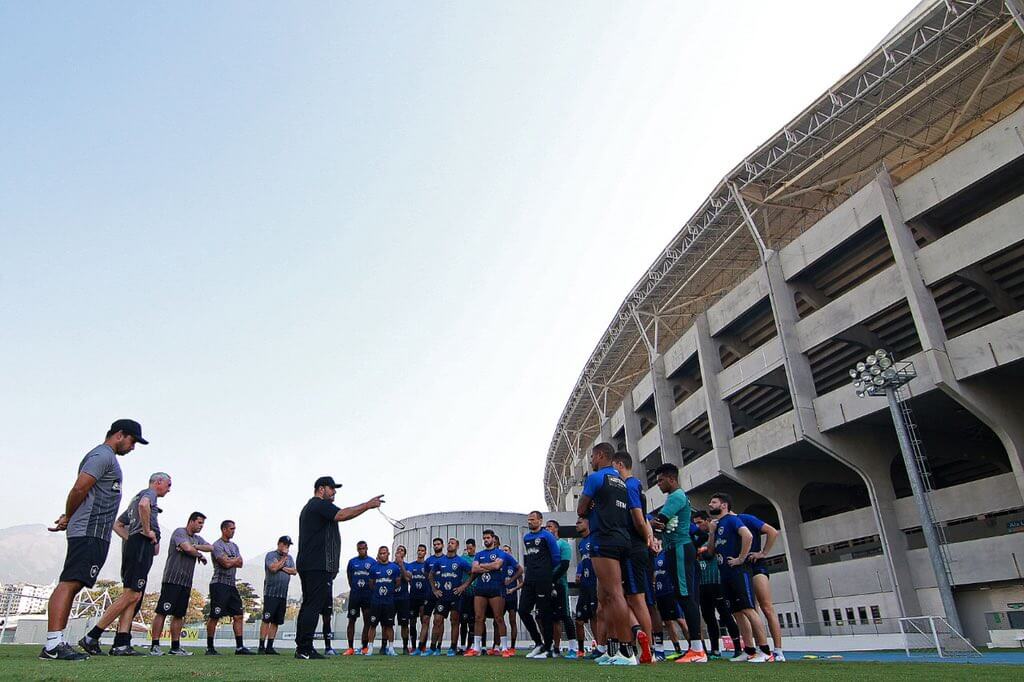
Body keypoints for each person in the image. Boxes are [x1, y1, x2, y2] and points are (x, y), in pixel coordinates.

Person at [42, 419, 147, 661]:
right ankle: (52, 644)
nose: (133, 448)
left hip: (95, 532)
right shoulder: (103, 456)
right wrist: (69, 516)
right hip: (88, 531)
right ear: (120, 435)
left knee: (75, 583)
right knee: (70, 582)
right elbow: (79, 488)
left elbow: (86, 494)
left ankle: (56, 641)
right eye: (133, 441)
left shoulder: (107, 458)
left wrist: (70, 515)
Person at [79, 472, 171, 656]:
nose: (169, 489)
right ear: (158, 482)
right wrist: (146, 532)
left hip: (136, 547)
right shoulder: (148, 494)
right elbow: (145, 506)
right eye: (168, 485)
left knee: (134, 596)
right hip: (140, 548)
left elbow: (117, 524)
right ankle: (92, 636)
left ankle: (121, 643)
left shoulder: (134, 500)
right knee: (131, 595)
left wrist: (131, 539)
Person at [295, 476, 383, 660]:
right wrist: (367, 505)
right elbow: (342, 514)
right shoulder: (318, 504)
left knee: (308, 605)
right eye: (331, 488)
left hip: (311, 565)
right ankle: (305, 648)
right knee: (313, 605)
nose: (334, 492)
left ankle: (302, 647)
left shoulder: (313, 507)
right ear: (321, 489)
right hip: (316, 565)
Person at [577, 443, 636, 665]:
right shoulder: (621, 480)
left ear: (601, 455)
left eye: (592, 456)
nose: (591, 461)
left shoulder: (596, 478)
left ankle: (627, 651)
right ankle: (611, 650)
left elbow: (581, 510)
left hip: (605, 539)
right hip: (621, 538)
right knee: (604, 598)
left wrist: (590, 507)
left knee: (615, 595)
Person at [707, 492, 772, 663]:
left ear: (724, 505)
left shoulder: (732, 520)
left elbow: (748, 535)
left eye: (713, 502)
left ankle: (765, 650)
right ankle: (748, 649)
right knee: (737, 612)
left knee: (748, 609)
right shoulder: (717, 525)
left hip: (739, 571)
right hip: (725, 573)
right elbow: (711, 552)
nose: (709, 505)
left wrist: (741, 558)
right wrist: (712, 533)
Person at [652, 463, 705, 664]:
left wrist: (649, 525)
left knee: (686, 596)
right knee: (683, 597)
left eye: (660, 480)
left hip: (680, 548)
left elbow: (660, 520)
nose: (658, 485)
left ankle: (698, 649)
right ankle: (695, 648)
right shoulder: (674, 497)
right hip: (675, 549)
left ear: (671, 478)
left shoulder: (676, 497)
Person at [610, 451, 656, 664]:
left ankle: (650, 650)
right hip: (633, 547)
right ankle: (640, 635)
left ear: (619, 465)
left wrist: (646, 539)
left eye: (613, 467)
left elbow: (638, 517)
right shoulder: (632, 486)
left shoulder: (629, 486)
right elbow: (645, 519)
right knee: (626, 597)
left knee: (636, 598)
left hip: (633, 548)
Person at [149, 511, 213, 656]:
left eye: (203, 524)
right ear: (191, 521)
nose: (201, 526)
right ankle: (155, 645)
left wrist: (194, 548)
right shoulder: (179, 532)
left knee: (179, 614)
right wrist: (195, 551)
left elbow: (210, 547)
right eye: (199, 522)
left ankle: (175, 647)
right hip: (172, 579)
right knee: (162, 612)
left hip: (186, 582)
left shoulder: (196, 538)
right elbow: (187, 548)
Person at [692, 512, 740, 659]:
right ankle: (715, 650)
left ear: (708, 521)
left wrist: (704, 549)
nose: (697, 526)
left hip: (717, 582)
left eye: (700, 522)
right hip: (702, 584)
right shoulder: (696, 540)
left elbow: (709, 554)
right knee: (709, 617)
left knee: (725, 615)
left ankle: (738, 648)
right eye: (695, 523)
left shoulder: (715, 537)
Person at [739, 511, 784, 661]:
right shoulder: (723, 525)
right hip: (740, 568)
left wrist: (763, 553)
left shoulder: (746, 518)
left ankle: (778, 650)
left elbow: (772, 531)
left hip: (756, 565)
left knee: (766, 607)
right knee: (752, 608)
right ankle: (760, 648)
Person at [205, 520, 252, 655]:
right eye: (231, 528)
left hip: (231, 585)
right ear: (224, 529)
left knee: (238, 615)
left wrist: (231, 561)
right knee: (215, 615)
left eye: (234, 528)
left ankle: (239, 647)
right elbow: (224, 563)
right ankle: (210, 647)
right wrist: (233, 561)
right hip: (219, 585)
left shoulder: (234, 546)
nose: (233, 531)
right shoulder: (217, 545)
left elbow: (241, 562)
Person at [519, 511, 560, 660]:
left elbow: (556, 557)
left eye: (533, 519)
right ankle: (538, 643)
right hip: (529, 579)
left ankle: (548, 648)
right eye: (528, 520)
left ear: (540, 521)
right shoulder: (527, 537)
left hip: (544, 579)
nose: (530, 522)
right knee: (523, 610)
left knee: (544, 613)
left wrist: (546, 572)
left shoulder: (547, 536)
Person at [466, 529, 513, 657]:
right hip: (481, 589)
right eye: (484, 538)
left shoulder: (500, 553)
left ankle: (504, 648)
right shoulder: (479, 554)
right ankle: (476, 648)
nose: (486, 540)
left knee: (499, 618)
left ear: (493, 539)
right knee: (479, 618)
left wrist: (484, 566)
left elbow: (497, 566)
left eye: (488, 537)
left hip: (496, 589)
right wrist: (490, 566)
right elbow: (474, 568)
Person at [427, 538, 472, 656]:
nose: (449, 545)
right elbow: (430, 575)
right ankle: (433, 648)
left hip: (455, 596)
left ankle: (452, 648)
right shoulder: (440, 561)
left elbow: (472, 574)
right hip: (442, 596)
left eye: (452, 543)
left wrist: (463, 586)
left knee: (455, 621)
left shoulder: (461, 561)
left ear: (457, 546)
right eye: (449, 543)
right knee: (437, 620)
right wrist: (434, 589)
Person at [544, 519, 577, 659]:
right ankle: (552, 648)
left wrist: (552, 579)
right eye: (545, 527)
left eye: (549, 527)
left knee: (565, 615)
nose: (547, 529)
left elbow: (564, 565)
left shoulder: (563, 544)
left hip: (559, 584)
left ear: (556, 529)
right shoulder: (545, 547)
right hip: (546, 585)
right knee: (550, 617)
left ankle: (573, 649)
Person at [259, 536, 296, 655]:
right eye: (285, 544)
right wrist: (282, 562)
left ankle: (270, 646)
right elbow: (273, 568)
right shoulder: (271, 555)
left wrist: (282, 567)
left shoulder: (290, 558)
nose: (287, 547)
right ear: (279, 544)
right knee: (267, 619)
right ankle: (261, 646)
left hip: (283, 594)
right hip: (271, 593)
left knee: (276, 621)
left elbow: (294, 571)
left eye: (288, 545)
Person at [366, 546, 401, 656]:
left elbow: (398, 582)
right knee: (372, 625)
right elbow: (371, 584)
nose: (382, 555)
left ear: (388, 554)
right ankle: (370, 647)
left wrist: (390, 590)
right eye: (380, 553)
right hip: (376, 601)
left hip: (389, 602)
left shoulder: (394, 568)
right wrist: (377, 591)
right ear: (378, 554)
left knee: (389, 625)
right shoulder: (373, 568)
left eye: (384, 553)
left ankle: (391, 648)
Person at [415, 537, 446, 654]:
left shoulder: (446, 559)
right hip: (430, 594)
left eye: (438, 544)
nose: (436, 546)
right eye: (434, 544)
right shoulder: (428, 561)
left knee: (439, 620)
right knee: (425, 619)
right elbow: (428, 575)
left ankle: (436, 647)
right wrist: (433, 589)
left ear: (442, 545)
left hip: (442, 595)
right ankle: (420, 647)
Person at [343, 541, 374, 655]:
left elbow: (374, 578)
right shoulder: (352, 562)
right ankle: (350, 647)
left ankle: (364, 646)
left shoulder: (372, 562)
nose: (361, 550)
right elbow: (350, 578)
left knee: (367, 620)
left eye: (363, 548)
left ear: (366, 548)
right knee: (351, 620)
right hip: (355, 595)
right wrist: (355, 588)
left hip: (367, 595)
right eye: (359, 549)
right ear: (357, 549)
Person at [573, 517, 598, 657]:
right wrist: (578, 572)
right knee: (579, 619)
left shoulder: (595, 538)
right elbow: (583, 560)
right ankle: (581, 650)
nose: (577, 525)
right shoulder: (581, 543)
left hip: (595, 583)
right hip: (584, 584)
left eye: (580, 522)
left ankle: (601, 646)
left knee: (595, 616)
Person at [405, 544, 430, 655]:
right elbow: (409, 578)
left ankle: (423, 646)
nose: (420, 552)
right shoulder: (411, 565)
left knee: (424, 620)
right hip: (413, 597)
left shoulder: (427, 565)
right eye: (419, 550)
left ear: (425, 552)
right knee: (412, 622)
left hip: (424, 597)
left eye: (422, 551)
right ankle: (414, 647)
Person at [500, 541, 523, 653]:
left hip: (512, 596)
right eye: (503, 550)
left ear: (510, 552)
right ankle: (497, 645)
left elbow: (521, 582)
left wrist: (513, 589)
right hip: (501, 596)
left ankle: (512, 646)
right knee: (498, 620)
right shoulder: (500, 564)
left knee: (512, 620)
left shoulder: (514, 565)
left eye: (506, 550)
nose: (504, 552)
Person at [458, 538, 478, 653]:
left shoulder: (478, 558)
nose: (469, 550)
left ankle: (472, 645)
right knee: (463, 621)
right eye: (467, 548)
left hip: (475, 593)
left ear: (474, 547)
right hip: (464, 593)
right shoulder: (462, 559)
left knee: (473, 621)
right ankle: (462, 645)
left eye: (471, 548)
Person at [393, 545, 414, 654]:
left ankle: (405, 646)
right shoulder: (390, 565)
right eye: (398, 550)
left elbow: (408, 577)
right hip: (391, 598)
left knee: (405, 624)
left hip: (403, 598)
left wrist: (401, 565)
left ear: (404, 554)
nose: (399, 552)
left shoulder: (408, 566)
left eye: (401, 551)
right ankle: (386, 646)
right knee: (387, 623)